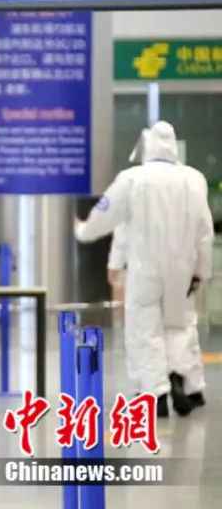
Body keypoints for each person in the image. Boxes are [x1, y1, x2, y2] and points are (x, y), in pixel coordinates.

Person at [75, 121, 214, 416]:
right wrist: (201, 270)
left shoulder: (132, 179)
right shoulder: (194, 179)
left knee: (144, 328)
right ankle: (182, 380)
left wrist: (84, 232)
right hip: (182, 269)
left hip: (145, 268)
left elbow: (111, 219)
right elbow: (205, 232)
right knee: (179, 324)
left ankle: (156, 393)